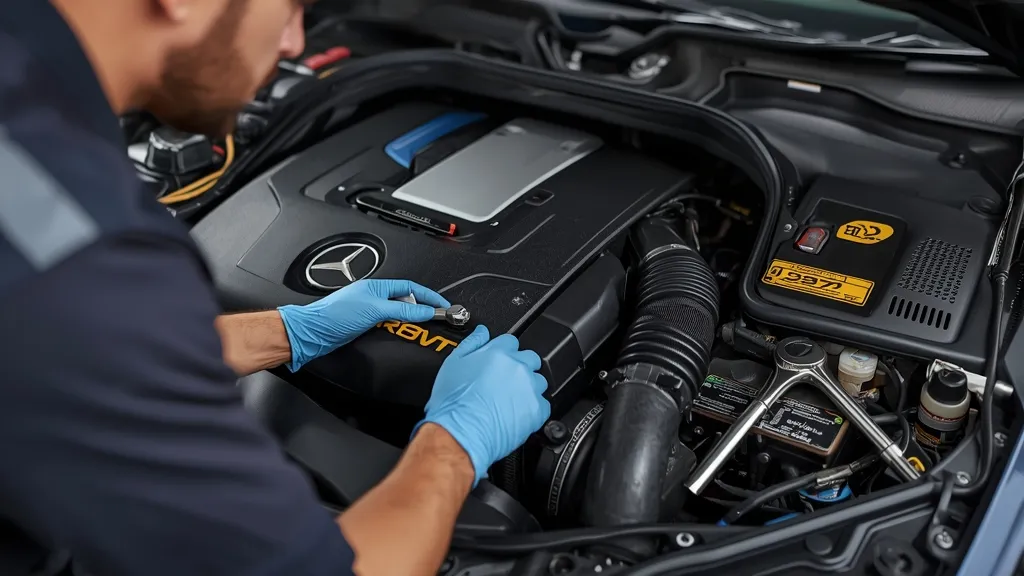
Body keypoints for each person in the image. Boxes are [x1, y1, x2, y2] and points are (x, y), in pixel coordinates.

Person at [0, 1, 551, 575]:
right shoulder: (77, 254)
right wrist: (456, 443)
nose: (294, 43)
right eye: (290, 7)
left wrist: (290, 329)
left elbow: (74, 350)